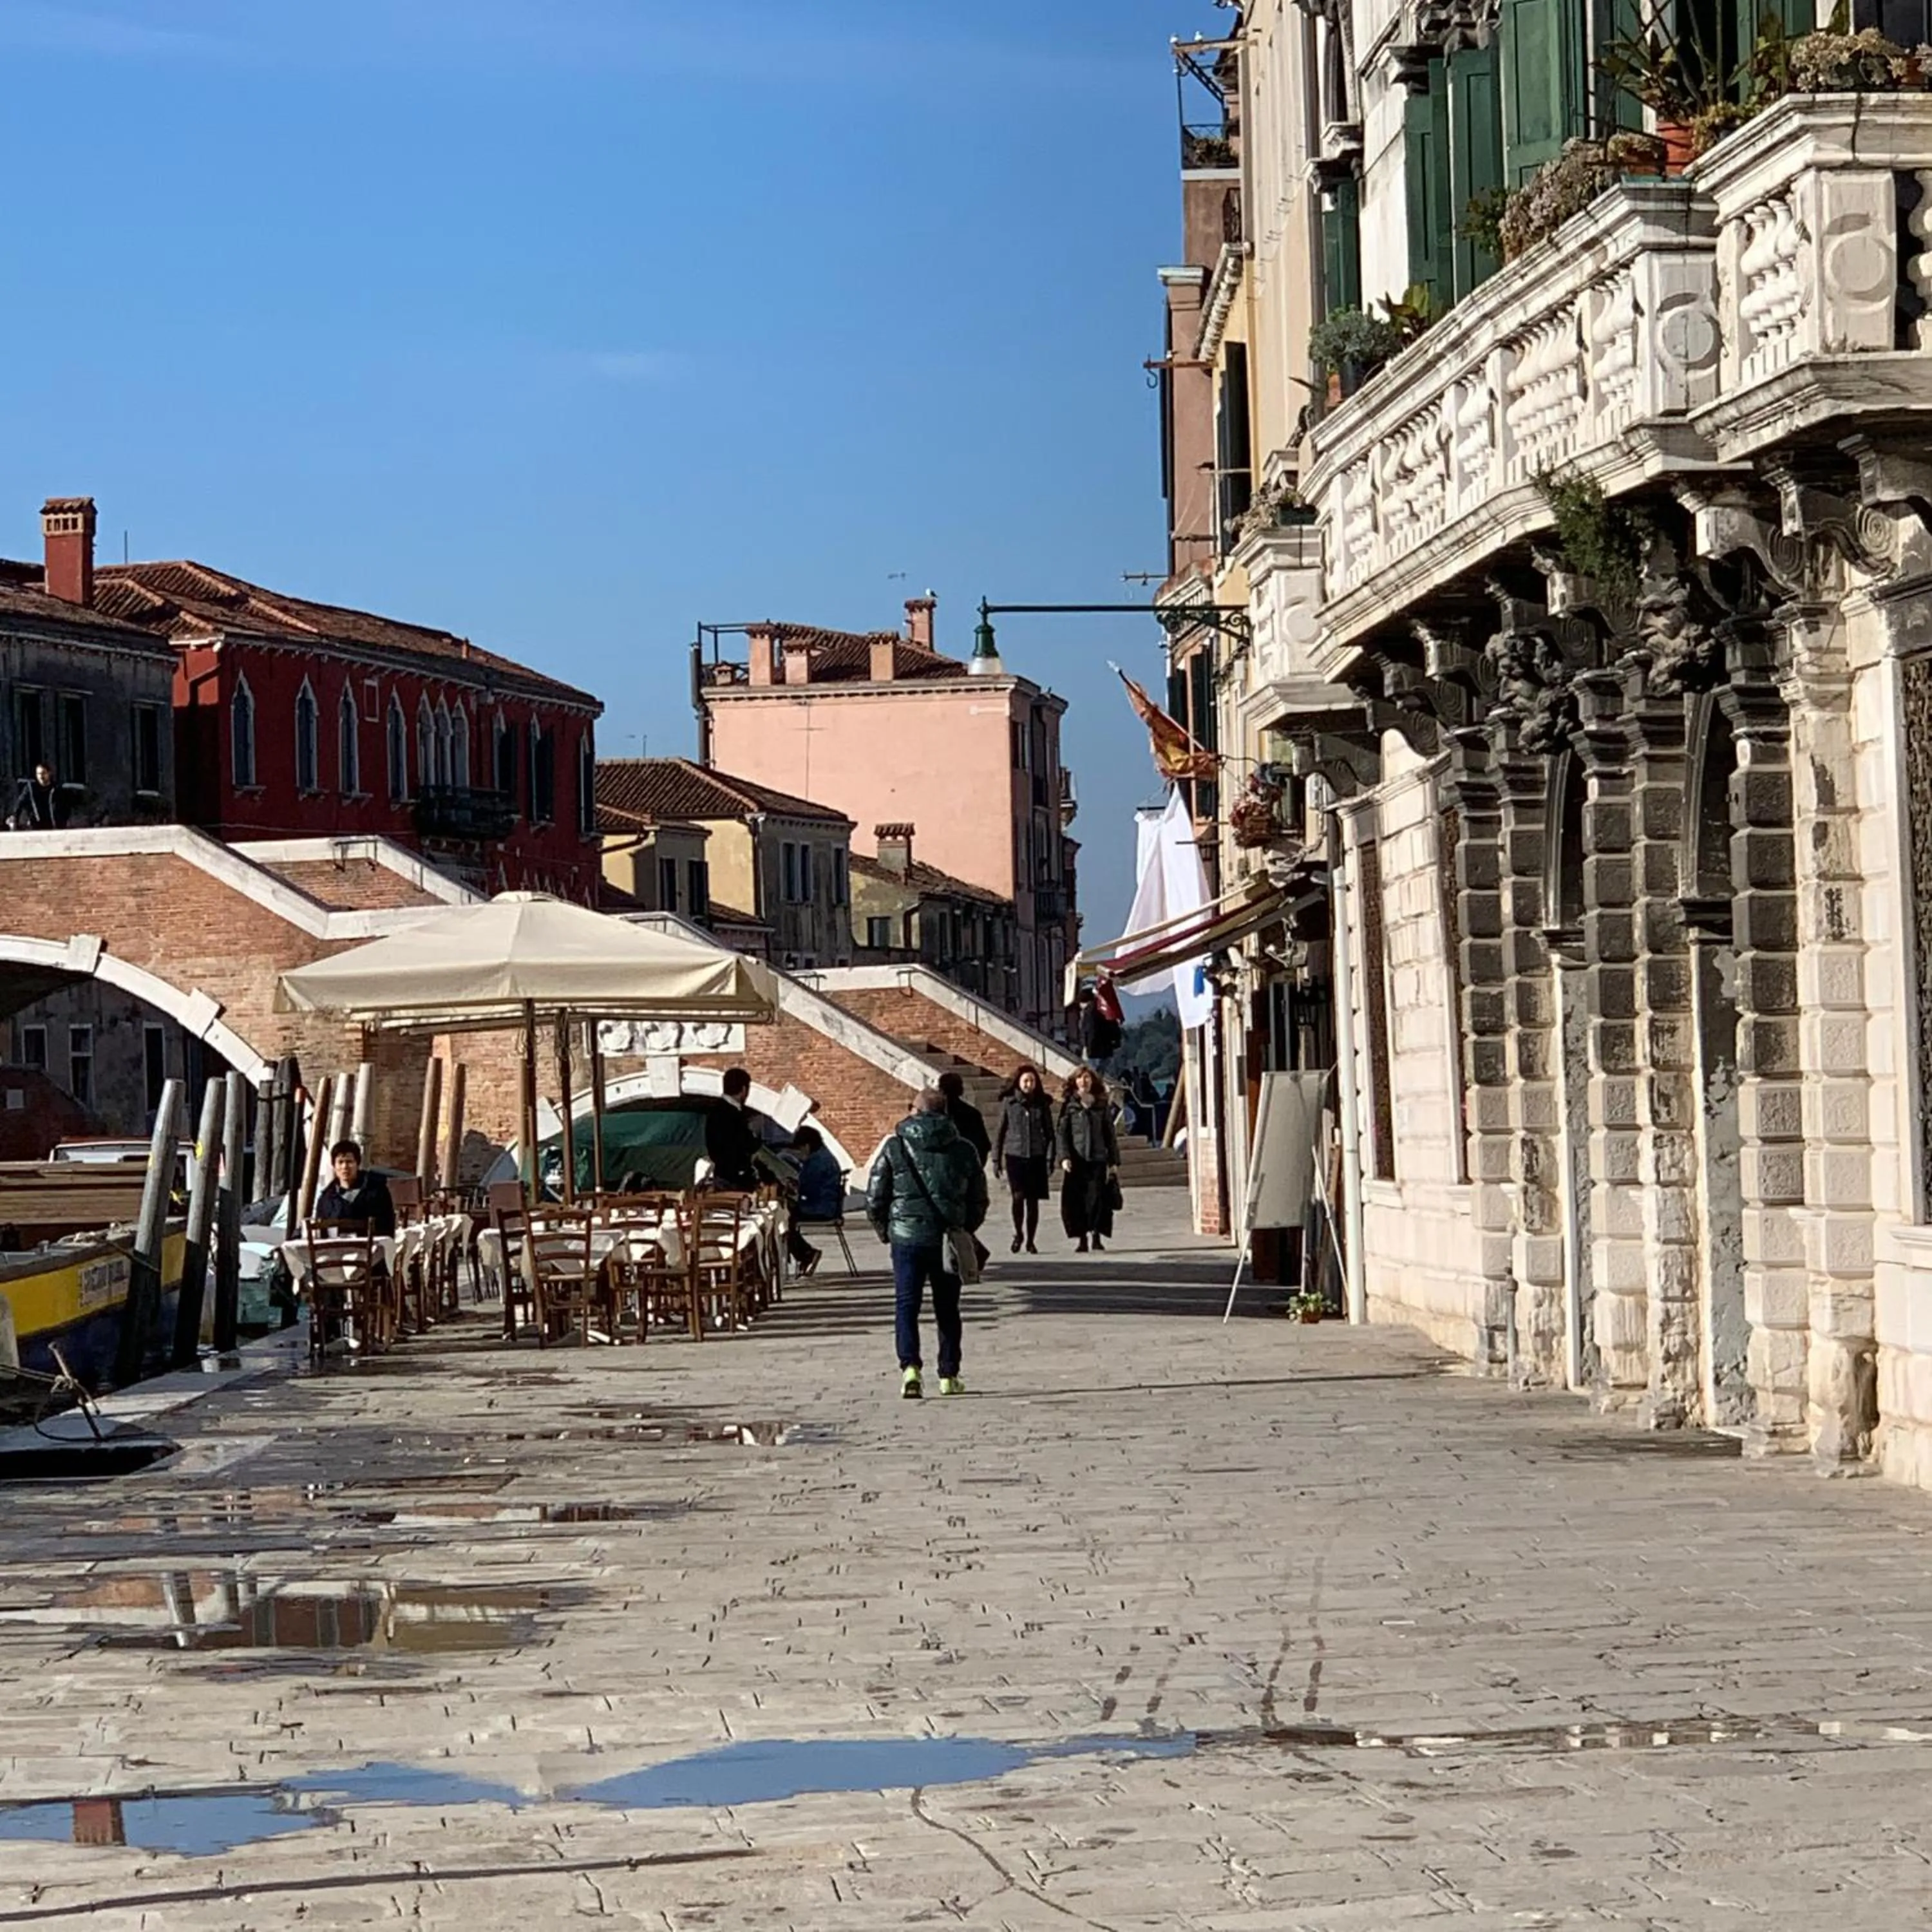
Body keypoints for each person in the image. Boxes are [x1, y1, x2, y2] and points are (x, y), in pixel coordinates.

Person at [867, 1087, 987, 1399]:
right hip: (947, 1237)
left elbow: (875, 1196)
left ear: (914, 1111)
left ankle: (910, 1369)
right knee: (948, 1308)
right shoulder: (964, 1149)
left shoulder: (895, 1146)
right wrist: (964, 1229)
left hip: (906, 1238)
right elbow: (979, 1199)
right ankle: (949, 1374)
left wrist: (887, 1231)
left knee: (906, 1305)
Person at [992, 1062, 1056, 1255]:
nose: (1029, 1085)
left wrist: (1050, 1159)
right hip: (1015, 1155)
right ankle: (1018, 1233)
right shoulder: (1009, 1103)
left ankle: (1031, 1240)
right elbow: (1000, 1132)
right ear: (1019, 1083)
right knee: (1018, 1197)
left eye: (1032, 1081)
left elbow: (1050, 1134)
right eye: (1026, 1081)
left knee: (1033, 1201)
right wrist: (996, 1159)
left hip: (1036, 1156)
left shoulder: (1041, 1104)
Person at [1057, 1066, 1121, 1253]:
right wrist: (1064, 1157)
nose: (1083, 1082)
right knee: (1077, 1202)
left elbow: (1110, 1134)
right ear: (1075, 1082)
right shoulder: (1070, 1105)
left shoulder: (1101, 1105)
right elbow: (1062, 1134)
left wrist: (1114, 1161)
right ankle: (1082, 1238)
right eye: (1080, 1078)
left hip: (1097, 1159)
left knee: (1098, 1200)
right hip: (1077, 1161)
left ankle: (1097, 1236)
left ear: (1092, 1081)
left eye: (1087, 1078)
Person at [785, 1124, 845, 1275]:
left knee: (784, 1219)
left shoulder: (816, 1161)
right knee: (787, 1217)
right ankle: (805, 1253)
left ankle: (806, 1254)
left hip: (820, 1207)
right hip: (828, 1205)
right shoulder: (825, 1156)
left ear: (807, 1146)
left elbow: (806, 1188)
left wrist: (791, 1186)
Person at [312, 1139, 398, 1236]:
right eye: (340, 1162)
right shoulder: (326, 1199)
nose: (345, 1167)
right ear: (334, 1166)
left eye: (349, 1162)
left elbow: (387, 1227)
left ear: (358, 1164)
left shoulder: (377, 1192)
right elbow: (321, 1231)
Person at [703, 1066, 762, 1190]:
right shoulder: (734, 1114)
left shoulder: (714, 1112)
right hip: (737, 1177)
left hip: (721, 1174)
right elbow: (745, 1144)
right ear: (744, 1090)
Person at [936, 1070, 990, 1167]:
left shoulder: (935, 1115)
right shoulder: (973, 1113)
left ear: (941, 1090)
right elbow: (983, 1145)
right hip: (966, 1165)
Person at [6, 762, 62, 831]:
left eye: (44, 773)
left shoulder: (56, 789)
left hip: (54, 826)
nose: (41, 776)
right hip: (35, 825)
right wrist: (14, 816)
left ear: (49, 773)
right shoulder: (31, 789)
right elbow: (20, 803)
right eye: (38, 774)